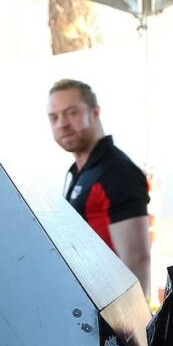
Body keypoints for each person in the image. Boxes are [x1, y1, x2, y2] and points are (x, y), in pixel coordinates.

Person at [47, 79, 151, 298]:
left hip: (112, 320)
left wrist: (132, 331)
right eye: (54, 117)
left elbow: (137, 262)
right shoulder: (80, 171)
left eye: (71, 113)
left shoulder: (115, 171)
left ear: (95, 112)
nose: (62, 123)